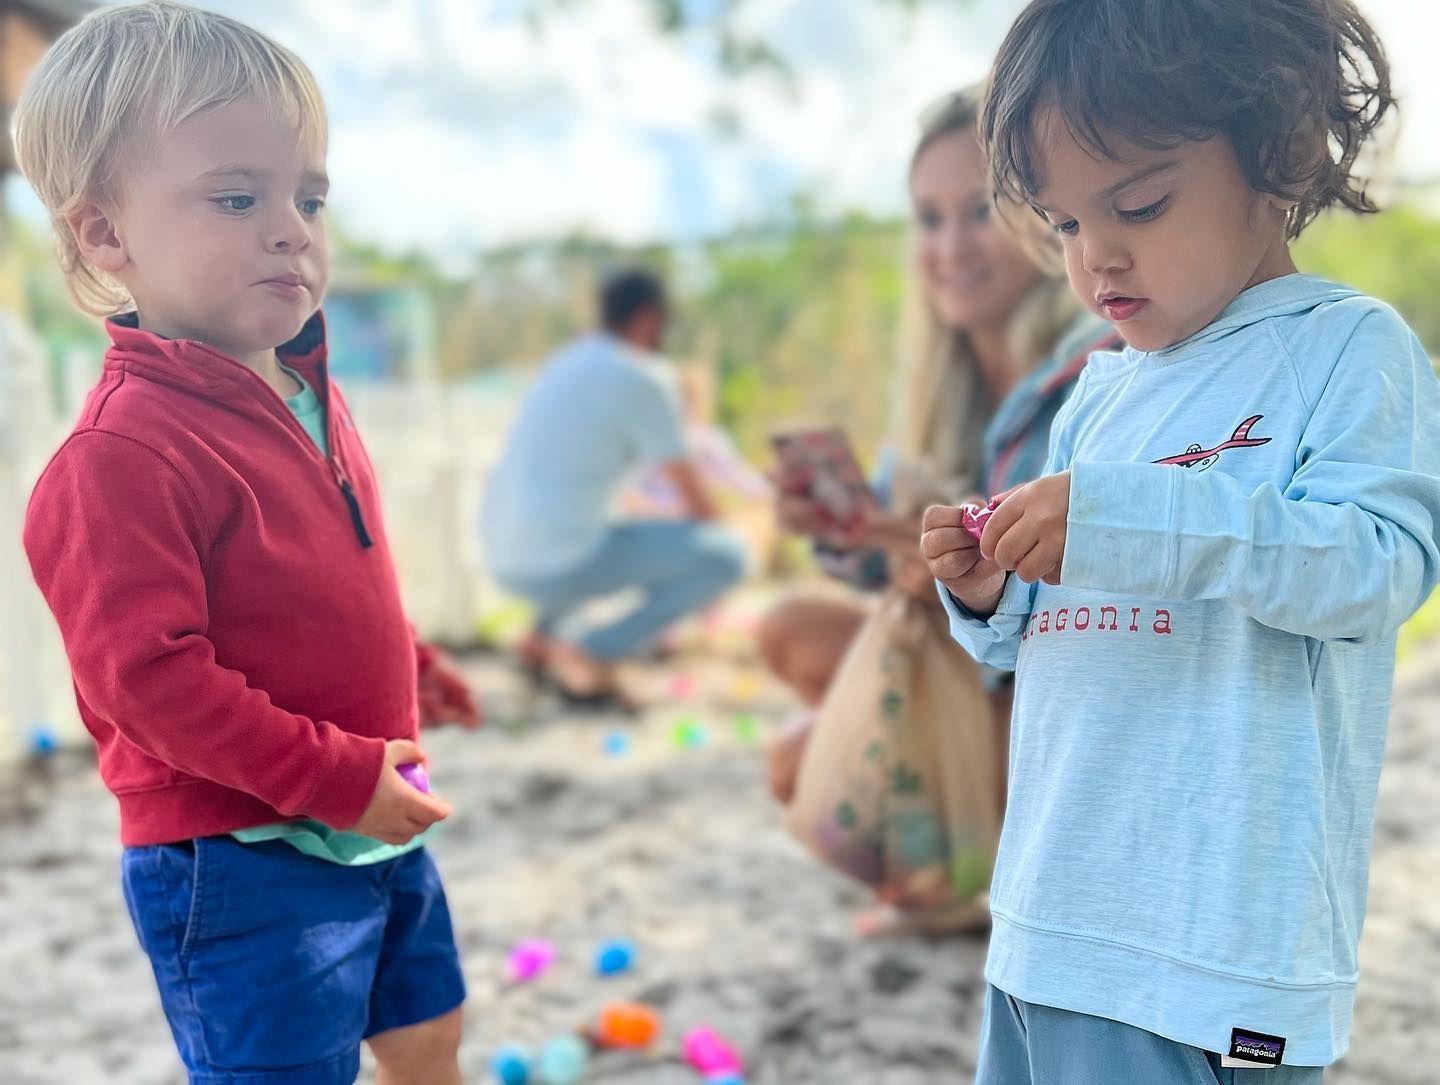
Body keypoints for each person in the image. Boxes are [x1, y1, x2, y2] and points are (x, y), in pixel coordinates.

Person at [922, 0, 1440, 1079]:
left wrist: (1121, 517)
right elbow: (1050, 640)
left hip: (1204, 959)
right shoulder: (1101, 394)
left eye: (1141, 203)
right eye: (1064, 224)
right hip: (1048, 920)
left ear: (1280, 149)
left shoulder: (1346, 350)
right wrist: (988, 594)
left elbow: (1376, 565)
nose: (1096, 257)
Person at [15, 4, 474, 1082]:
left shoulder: (307, 385)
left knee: (426, 1034)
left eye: (309, 196)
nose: (291, 228)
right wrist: (334, 776)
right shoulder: (119, 456)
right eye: (237, 197)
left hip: (371, 812)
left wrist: (407, 664)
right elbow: (150, 681)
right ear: (106, 234)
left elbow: (325, 578)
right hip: (238, 854)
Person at [760, 87, 1119, 809]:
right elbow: (879, 565)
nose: (949, 247)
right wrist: (841, 528)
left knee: (806, 761)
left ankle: (957, 844)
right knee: (787, 630)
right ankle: (948, 842)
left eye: (979, 211)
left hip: (1060, 690)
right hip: (961, 671)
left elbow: (1084, 594)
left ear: (1044, 215)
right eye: (928, 219)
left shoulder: (1099, 364)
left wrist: (963, 578)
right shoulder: (939, 387)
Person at [482, 269, 747, 705]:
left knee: (591, 524)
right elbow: (694, 498)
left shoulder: (563, 362)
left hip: (502, 555)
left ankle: (538, 640)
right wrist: (728, 530)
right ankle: (593, 648)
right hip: (559, 562)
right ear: (647, 319)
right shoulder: (645, 375)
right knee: (728, 556)